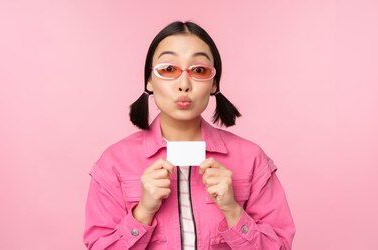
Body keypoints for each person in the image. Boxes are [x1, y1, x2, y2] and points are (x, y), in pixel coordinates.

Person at [83, 21, 295, 249]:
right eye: (168, 69)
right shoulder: (114, 162)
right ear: (149, 81)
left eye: (199, 70)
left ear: (214, 83)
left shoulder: (251, 158)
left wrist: (232, 210)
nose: (184, 84)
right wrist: (143, 211)